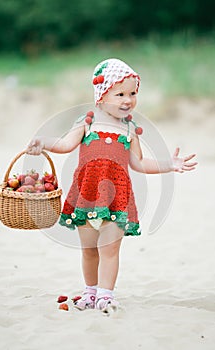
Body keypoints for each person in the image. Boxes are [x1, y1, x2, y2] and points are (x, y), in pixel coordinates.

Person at [27, 58, 197, 313]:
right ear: (101, 95)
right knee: (88, 251)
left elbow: (139, 163)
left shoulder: (129, 130)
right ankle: (90, 291)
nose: (128, 100)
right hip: (87, 195)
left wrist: (168, 164)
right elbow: (64, 145)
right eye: (120, 94)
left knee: (109, 250)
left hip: (117, 198)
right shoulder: (87, 123)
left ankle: (106, 295)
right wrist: (43, 141)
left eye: (132, 93)